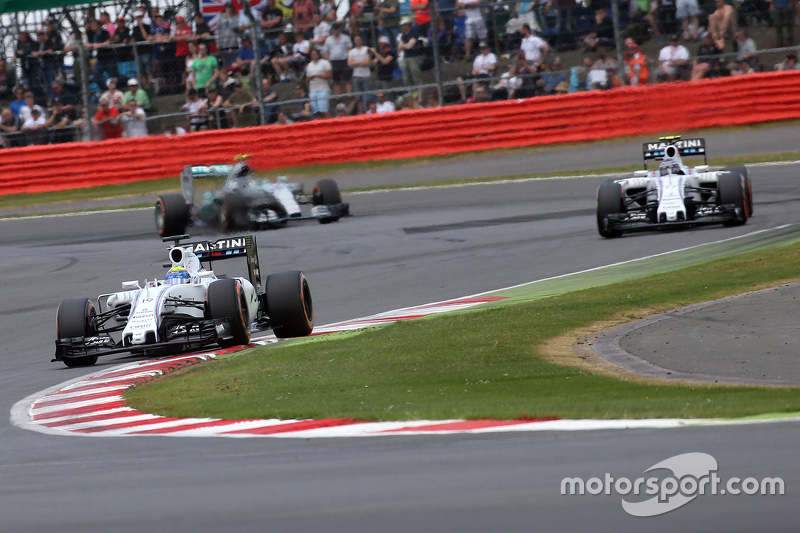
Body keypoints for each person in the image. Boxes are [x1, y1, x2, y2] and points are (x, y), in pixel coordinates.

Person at [85, 19, 118, 91]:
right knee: (96, 76)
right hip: (100, 58)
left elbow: (108, 42)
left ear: (99, 26)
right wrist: (93, 45)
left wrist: (99, 45)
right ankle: (105, 90)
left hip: (109, 57)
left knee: (112, 75)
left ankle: (114, 90)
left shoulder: (104, 32)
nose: (93, 27)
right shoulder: (91, 34)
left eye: (94, 25)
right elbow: (86, 43)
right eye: (92, 26)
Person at [323, 22, 353, 96]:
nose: (336, 31)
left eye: (337, 29)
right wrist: (328, 61)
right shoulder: (328, 40)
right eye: (334, 29)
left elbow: (349, 48)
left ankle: (349, 95)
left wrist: (349, 58)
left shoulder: (345, 37)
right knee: (336, 81)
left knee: (347, 80)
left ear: (339, 29)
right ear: (332, 30)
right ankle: (338, 97)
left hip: (344, 60)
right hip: (334, 62)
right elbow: (326, 52)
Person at [348, 34, 374, 112]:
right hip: (356, 76)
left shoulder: (366, 49)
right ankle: (361, 114)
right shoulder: (352, 51)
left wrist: (355, 62)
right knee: (358, 98)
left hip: (366, 76)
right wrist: (361, 62)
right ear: (354, 41)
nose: (358, 41)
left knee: (368, 97)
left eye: (359, 40)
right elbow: (349, 64)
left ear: (362, 40)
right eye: (356, 40)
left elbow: (368, 62)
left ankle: (369, 112)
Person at [305, 46, 333, 116]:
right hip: (313, 90)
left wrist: (319, 76)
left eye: (315, 54)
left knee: (324, 110)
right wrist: (311, 77)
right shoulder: (309, 66)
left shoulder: (325, 63)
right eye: (312, 54)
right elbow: (307, 79)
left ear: (318, 54)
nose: (314, 55)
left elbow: (330, 76)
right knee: (316, 112)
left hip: (323, 89)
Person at [397, 17, 424, 88]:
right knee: (406, 78)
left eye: (403, 25)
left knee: (416, 76)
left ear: (407, 25)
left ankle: (420, 96)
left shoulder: (414, 34)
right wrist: (406, 45)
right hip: (406, 57)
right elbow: (400, 46)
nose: (402, 27)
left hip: (413, 57)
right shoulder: (403, 35)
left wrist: (404, 45)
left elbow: (409, 46)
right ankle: (412, 95)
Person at [131, 8, 154, 89]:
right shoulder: (134, 28)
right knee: (140, 71)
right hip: (139, 51)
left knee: (148, 70)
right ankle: (145, 86)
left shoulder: (147, 26)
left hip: (147, 51)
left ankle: (150, 85)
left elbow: (146, 37)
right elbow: (133, 38)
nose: (139, 19)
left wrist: (141, 27)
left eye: (140, 17)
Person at [216, 2, 241, 68]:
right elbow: (217, 30)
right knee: (225, 59)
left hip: (234, 42)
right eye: (227, 7)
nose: (228, 9)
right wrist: (218, 43)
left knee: (234, 58)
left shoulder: (236, 17)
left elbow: (238, 28)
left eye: (230, 7)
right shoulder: (221, 17)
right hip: (224, 43)